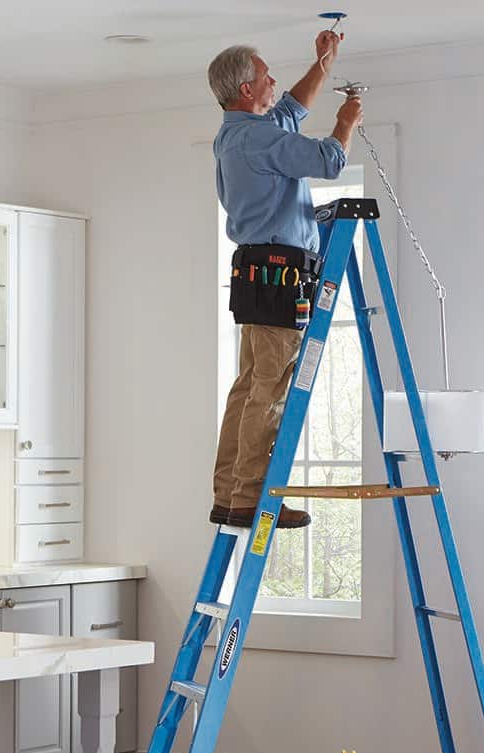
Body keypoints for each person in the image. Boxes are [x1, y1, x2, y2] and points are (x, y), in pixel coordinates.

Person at [206, 33, 364, 529]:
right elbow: (329, 161)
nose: (274, 79)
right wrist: (345, 124)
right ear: (248, 90)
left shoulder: (236, 133)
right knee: (270, 390)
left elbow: (291, 108)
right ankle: (250, 499)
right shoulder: (257, 139)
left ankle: (230, 493)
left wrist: (323, 65)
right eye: (266, 74)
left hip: (257, 275)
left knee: (250, 386)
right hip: (279, 276)